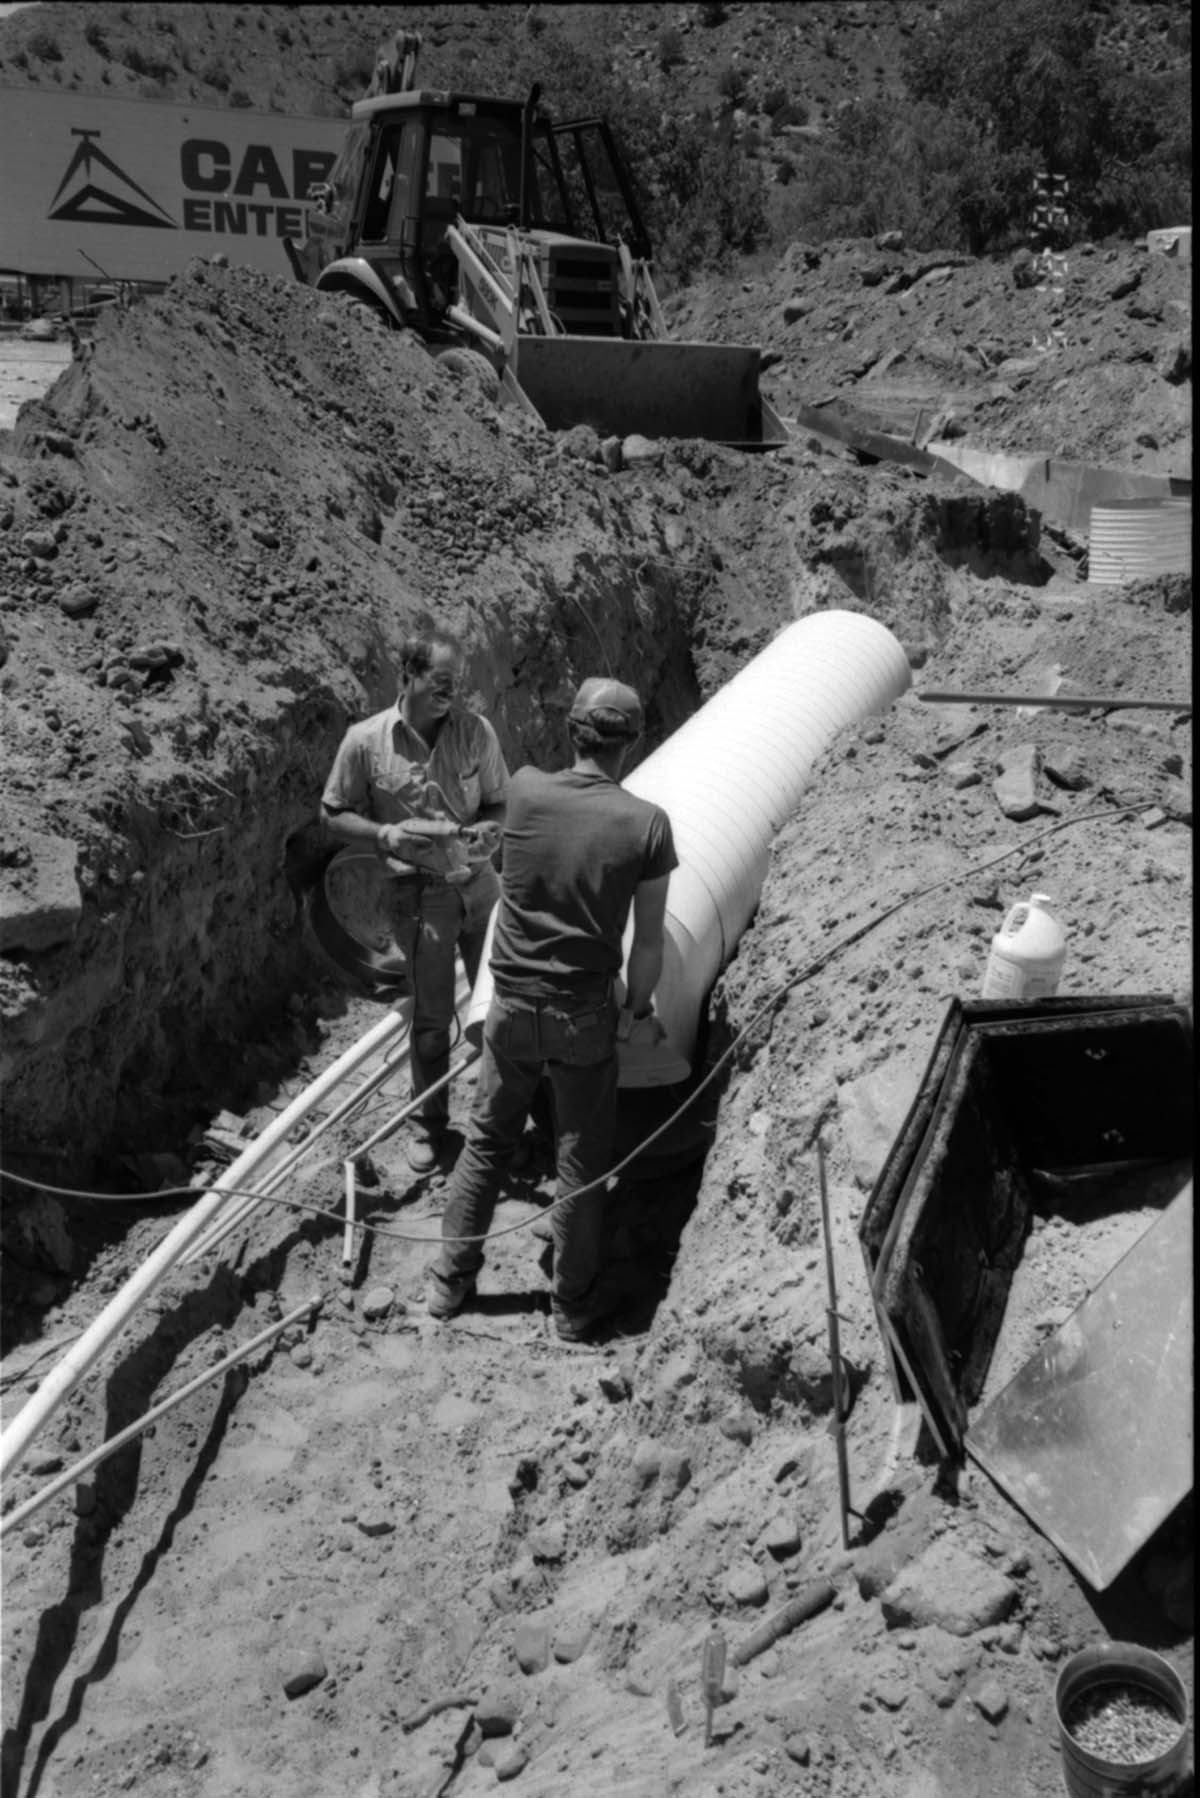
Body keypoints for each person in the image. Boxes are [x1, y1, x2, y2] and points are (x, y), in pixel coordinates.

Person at [427, 676, 678, 1342]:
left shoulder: (525, 792)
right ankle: (571, 1306)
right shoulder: (646, 824)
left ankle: (450, 1285)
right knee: (579, 1161)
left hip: (508, 1006)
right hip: (582, 1015)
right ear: (633, 742)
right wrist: (640, 1009)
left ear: (572, 731)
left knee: (486, 1143)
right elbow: (648, 940)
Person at [321, 630, 509, 1171]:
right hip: (416, 897)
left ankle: (506, 1119)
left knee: (503, 1003)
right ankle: (428, 1124)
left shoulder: (476, 733)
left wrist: (489, 833)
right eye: (442, 683)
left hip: (479, 887)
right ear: (408, 675)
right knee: (430, 1019)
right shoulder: (366, 742)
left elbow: (499, 801)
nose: (453, 694)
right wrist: (386, 837)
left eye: (459, 684)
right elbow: (331, 812)